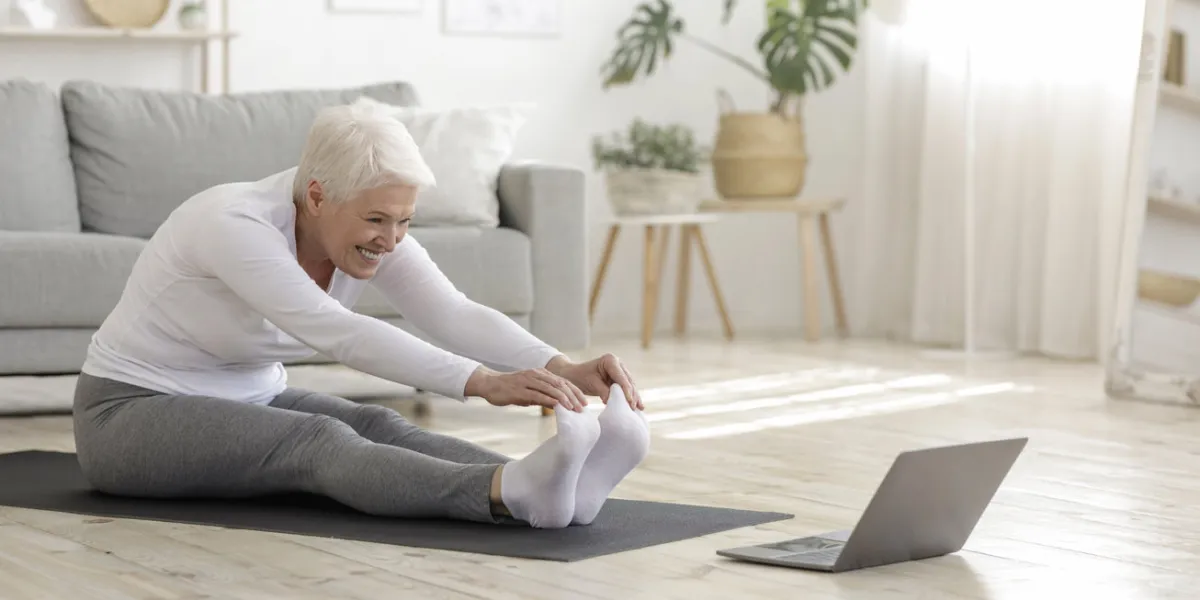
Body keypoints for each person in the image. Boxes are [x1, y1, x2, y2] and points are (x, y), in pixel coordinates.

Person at [71, 98, 651, 529]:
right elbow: (341, 332)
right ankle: (507, 491)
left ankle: (553, 485)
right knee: (317, 440)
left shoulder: (370, 231)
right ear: (317, 196)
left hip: (250, 398)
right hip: (128, 415)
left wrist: (560, 365)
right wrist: (483, 383)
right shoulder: (233, 225)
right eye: (377, 220)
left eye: (405, 221)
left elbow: (452, 312)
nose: (391, 239)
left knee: (379, 425)